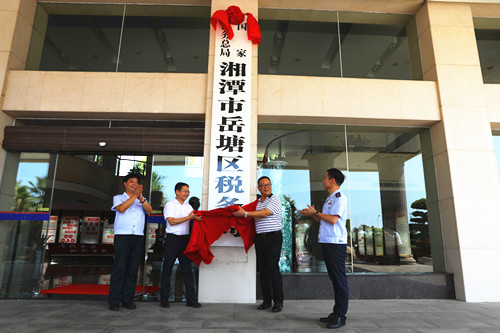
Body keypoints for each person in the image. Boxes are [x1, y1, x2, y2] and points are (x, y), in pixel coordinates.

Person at [301, 168, 348, 329]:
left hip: (336, 243)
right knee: (335, 279)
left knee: (339, 279)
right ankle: (336, 313)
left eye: (325, 177)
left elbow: (334, 220)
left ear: (332, 180)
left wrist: (317, 212)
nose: (323, 180)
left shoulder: (340, 198)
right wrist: (313, 215)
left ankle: (341, 316)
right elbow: (324, 221)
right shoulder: (330, 198)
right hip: (328, 242)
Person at [232, 176, 284, 312]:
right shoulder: (257, 203)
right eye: (263, 185)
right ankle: (266, 301)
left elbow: (264, 213)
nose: (266, 187)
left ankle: (278, 301)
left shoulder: (275, 199)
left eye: (268, 184)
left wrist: (245, 214)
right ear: (259, 188)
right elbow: (250, 213)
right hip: (260, 239)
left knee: (273, 269)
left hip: (273, 237)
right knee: (263, 271)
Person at [108, 173, 153, 311]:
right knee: (119, 268)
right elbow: (121, 209)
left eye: (136, 182)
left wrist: (141, 198)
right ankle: (114, 300)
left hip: (137, 236)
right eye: (131, 181)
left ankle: (127, 299)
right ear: (125, 184)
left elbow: (150, 210)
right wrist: (135, 196)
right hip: (123, 236)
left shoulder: (141, 199)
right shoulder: (119, 197)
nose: (134, 184)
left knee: (133, 269)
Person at [160, 182, 202, 308]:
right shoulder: (169, 205)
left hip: (185, 241)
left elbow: (195, 219)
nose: (186, 193)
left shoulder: (189, 207)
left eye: (188, 191)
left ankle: (191, 300)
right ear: (177, 192)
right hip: (172, 240)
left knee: (187, 270)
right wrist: (189, 217)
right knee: (167, 269)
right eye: (184, 191)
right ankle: (164, 299)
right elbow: (172, 222)